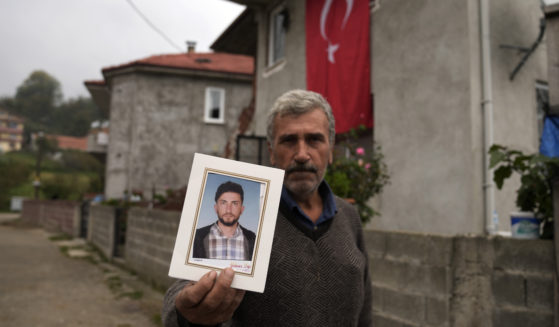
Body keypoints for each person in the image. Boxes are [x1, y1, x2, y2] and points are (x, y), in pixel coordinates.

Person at [162, 89, 372, 326]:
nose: (302, 154)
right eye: (289, 140)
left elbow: (365, 313)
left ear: (331, 151)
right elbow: (182, 292)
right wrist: (186, 312)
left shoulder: (349, 217)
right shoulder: (250, 216)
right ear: (272, 153)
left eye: (314, 139)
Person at [192, 181, 256, 261]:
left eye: (235, 203)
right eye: (223, 203)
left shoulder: (253, 239)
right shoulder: (197, 236)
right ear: (216, 208)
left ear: (242, 209)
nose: (228, 209)